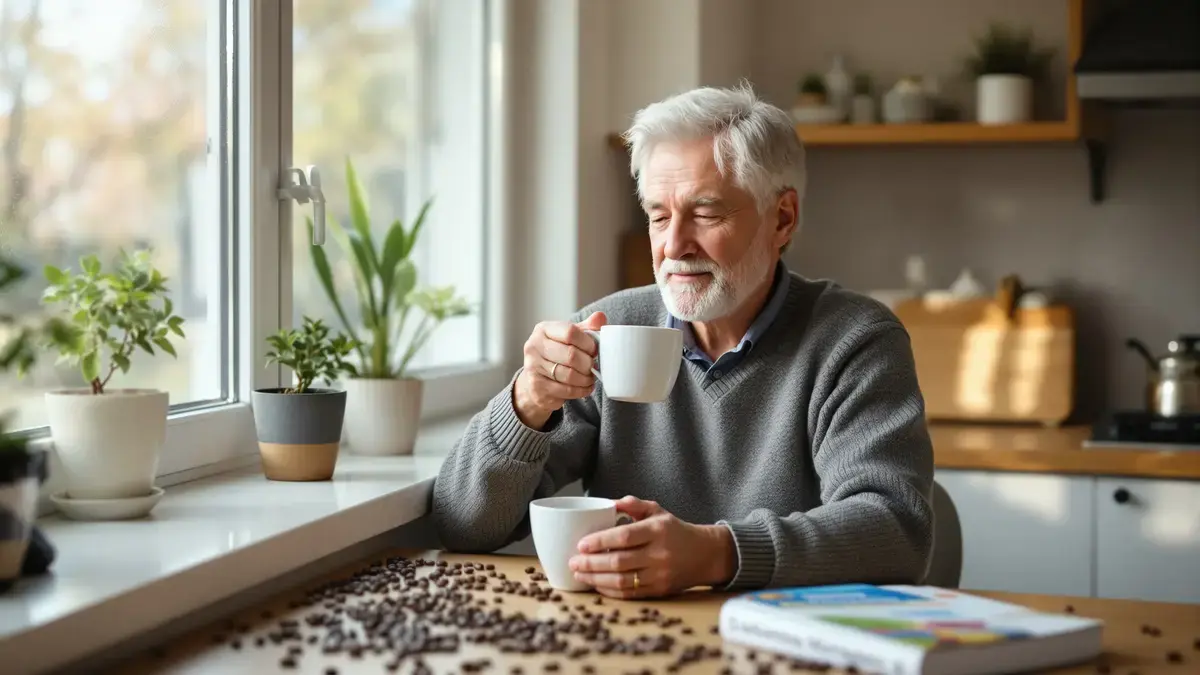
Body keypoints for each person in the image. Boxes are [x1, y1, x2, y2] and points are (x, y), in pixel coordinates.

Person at [431, 83, 934, 599]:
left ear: (782, 218)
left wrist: (717, 553)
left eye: (707, 213)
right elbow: (463, 525)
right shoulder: (610, 330)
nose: (673, 245)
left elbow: (897, 532)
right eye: (658, 216)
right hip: (630, 645)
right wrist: (526, 403)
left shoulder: (854, 341)